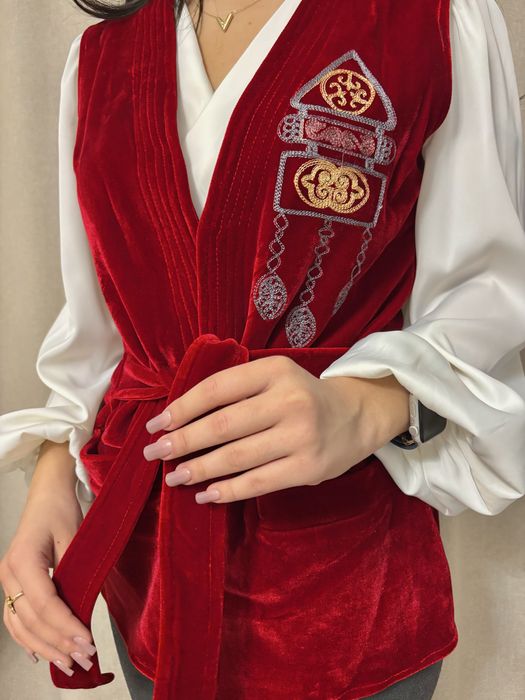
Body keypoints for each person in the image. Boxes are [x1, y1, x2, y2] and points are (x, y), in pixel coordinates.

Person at [1, 0, 525, 698]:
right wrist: (51, 480)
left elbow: (488, 296)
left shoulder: (428, 21)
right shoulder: (100, 58)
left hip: (341, 583)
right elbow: (99, 319)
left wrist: (362, 407)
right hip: (149, 574)